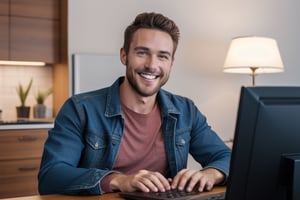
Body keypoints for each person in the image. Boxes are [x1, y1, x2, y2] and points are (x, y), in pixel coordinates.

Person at [38, 12, 231, 195]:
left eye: (162, 56)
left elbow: (227, 157)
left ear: (171, 62)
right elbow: (51, 176)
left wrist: (210, 174)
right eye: (142, 53)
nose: (152, 65)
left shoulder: (186, 111)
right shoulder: (80, 109)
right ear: (124, 55)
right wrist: (119, 181)